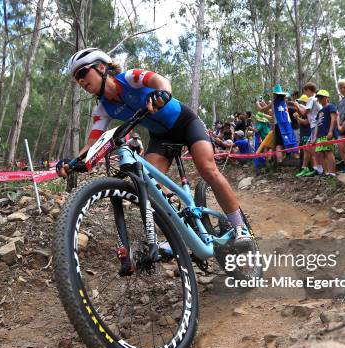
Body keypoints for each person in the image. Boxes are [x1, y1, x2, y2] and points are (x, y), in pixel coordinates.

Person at [59, 47, 253, 244]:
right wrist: (72, 162)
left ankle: (240, 226)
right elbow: (92, 144)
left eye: (82, 73)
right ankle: (183, 226)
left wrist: (163, 93)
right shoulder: (102, 109)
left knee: (208, 169)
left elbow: (158, 80)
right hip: (161, 138)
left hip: (186, 123)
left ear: (101, 67)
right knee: (150, 185)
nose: (80, 81)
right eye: (77, 78)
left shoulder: (128, 78)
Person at [294, 82, 321, 175]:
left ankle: (318, 167)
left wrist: (297, 105)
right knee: (306, 147)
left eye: (305, 92)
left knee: (311, 148)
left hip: (315, 126)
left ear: (308, 90)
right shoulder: (316, 99)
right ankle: (305, 168)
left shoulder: (311, 98)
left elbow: (304, 112)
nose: (305, 94)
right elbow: (308, 117)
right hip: (315, 125)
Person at [312, 90, 337, 176]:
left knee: (328, 151)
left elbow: (333, 119)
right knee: (320, 153)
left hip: (327, 133)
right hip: (319, 135)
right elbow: (316, 125)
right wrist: (314, 137)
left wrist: (330, 131)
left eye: (321, 97)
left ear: (327, 98)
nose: (319, 99)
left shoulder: (331, 107)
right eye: (318, 98)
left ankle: (332, 172)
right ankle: (326, 172)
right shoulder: (319, 112)